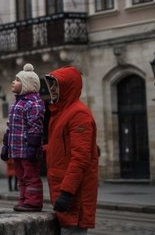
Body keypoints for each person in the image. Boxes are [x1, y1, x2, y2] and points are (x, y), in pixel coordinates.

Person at [44, 66, 99, 234]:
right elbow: (60, 149)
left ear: (68, 87)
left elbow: (80, 158)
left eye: (56, 85)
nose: (51, 89)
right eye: (51, 84)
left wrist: (66, 193)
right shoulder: (62, 113)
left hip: (74, 197)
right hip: (64, 191)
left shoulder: (78, 115)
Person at [1, 63, 46, 212]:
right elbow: (11, 128)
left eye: (18, 80)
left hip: (27, 149)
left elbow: (36, 127)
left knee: (30, 175)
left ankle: (34, 201)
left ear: (26, 84)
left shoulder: (33, 103)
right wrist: (6, 146)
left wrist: (33, 148)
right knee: (21, 176)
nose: (13, 82)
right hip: (17, 149)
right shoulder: (16, 103)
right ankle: (24, 199)